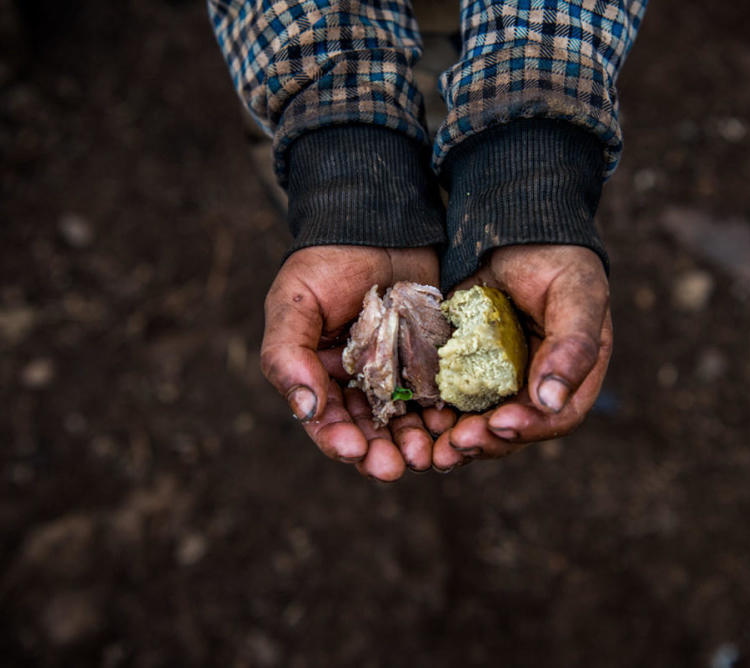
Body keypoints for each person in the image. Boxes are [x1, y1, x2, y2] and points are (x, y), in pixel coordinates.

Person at [207, 0, 646, 480]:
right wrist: (343, 170)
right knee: (296, 168)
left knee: (448, 105)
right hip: (298, 33)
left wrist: (529, 169)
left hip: (507, 26)